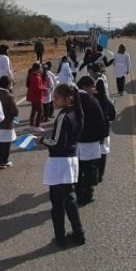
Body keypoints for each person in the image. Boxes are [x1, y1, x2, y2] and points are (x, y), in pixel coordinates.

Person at [41, 84, 85, 247]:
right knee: (70, 198)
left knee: (57, 202)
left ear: (68, 98)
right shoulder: (78, 111)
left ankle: (60, 237)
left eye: (57, 98)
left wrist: (41, 140)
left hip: (59, 161)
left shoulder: (63, 116)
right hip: (72, 158)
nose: (54, 101)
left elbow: (57, 142)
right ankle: (79, 233)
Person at [75, 76, 107, 205]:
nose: (92, 90)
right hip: (90, 142)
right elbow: (101, 121)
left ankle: (77, 192)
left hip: (76, 142)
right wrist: (101, 137)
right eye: (91, 87)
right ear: (84, 87)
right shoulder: (92, 101)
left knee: (77, 169)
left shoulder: (72, 100)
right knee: (89, 169)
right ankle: (87, 194)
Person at [90, 65, 116, 183]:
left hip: (94, 130)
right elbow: (113, 115)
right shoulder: (106, 101)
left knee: (95, 153)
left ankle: (94, 175)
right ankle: (100, 175)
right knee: (103, 152)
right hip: (104, 130)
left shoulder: (93, 100)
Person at [0, 75, 19, 169]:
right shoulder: (9, 96)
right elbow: (15, 112)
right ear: (9, 84)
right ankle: (4, 161)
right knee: (6, 144)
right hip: (7, 123)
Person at [26, 62, 47, 132]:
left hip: (32, 96)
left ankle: (31, 125)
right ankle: (37, 126)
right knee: (40, 111)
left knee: (34, 110)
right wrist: (44, 88)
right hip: (37, 96)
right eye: (40, 67)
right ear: (37, 69)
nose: (41, 69)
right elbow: (38, 87)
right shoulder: (37, 77)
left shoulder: (31, 75)